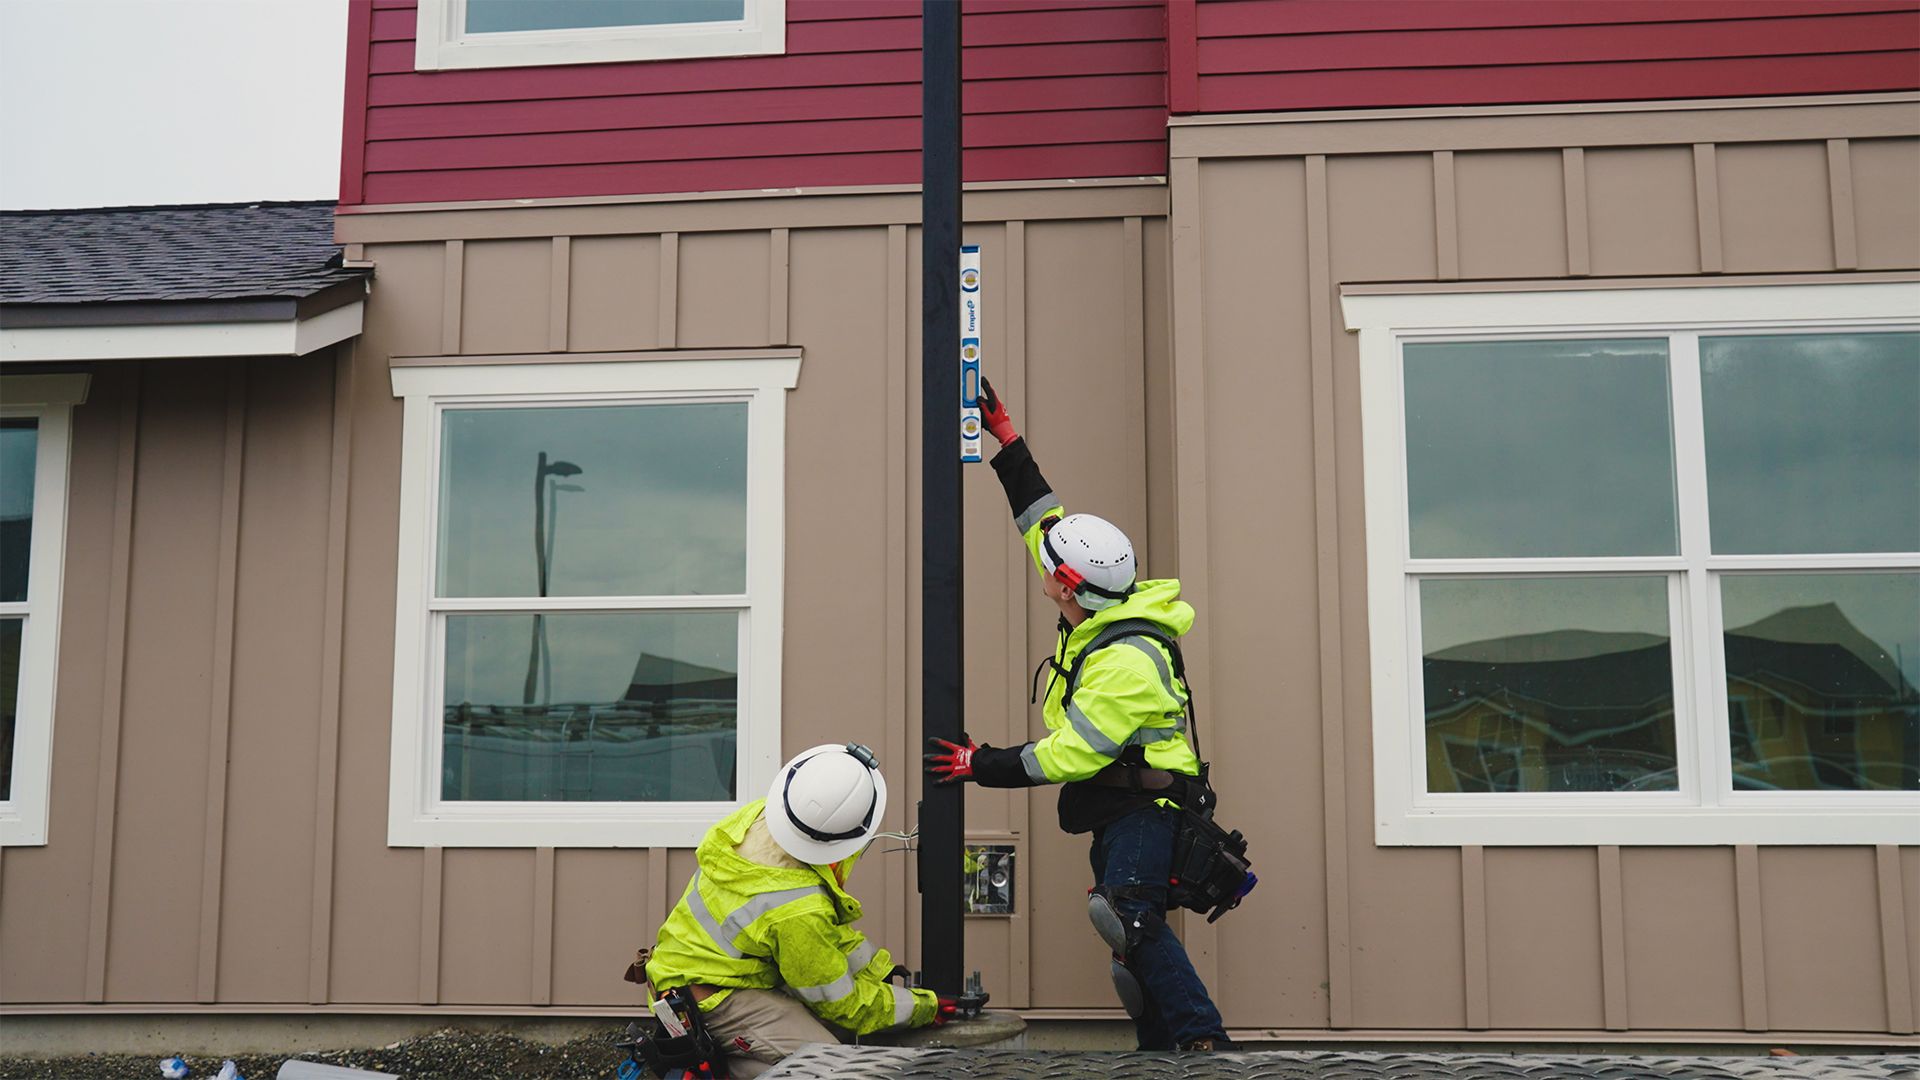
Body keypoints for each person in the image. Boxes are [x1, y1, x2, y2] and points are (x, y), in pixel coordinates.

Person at [925, 379, 1232, 1052]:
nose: (1045, 554)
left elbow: (1074, 754)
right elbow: (1043, 521)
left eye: (1052, 563)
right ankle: (1162, 1053)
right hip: (1119, 803)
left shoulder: (1124, 659)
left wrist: (985, 765)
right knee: (1127, 937)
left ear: (1066, 586)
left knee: (1129, 917)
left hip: (1148, 808)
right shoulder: (1097, 604)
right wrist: (1006, 440)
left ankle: (1206, 1046)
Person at [645, 743, 956, 1077]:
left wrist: (879, 973)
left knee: (808, 1050)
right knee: (833, 1069)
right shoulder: (796, 905)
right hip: (714, 999)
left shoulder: (758, 819)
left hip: (690, 975)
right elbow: (840, 1001)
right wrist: (924, 1007)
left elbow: (825, 938)